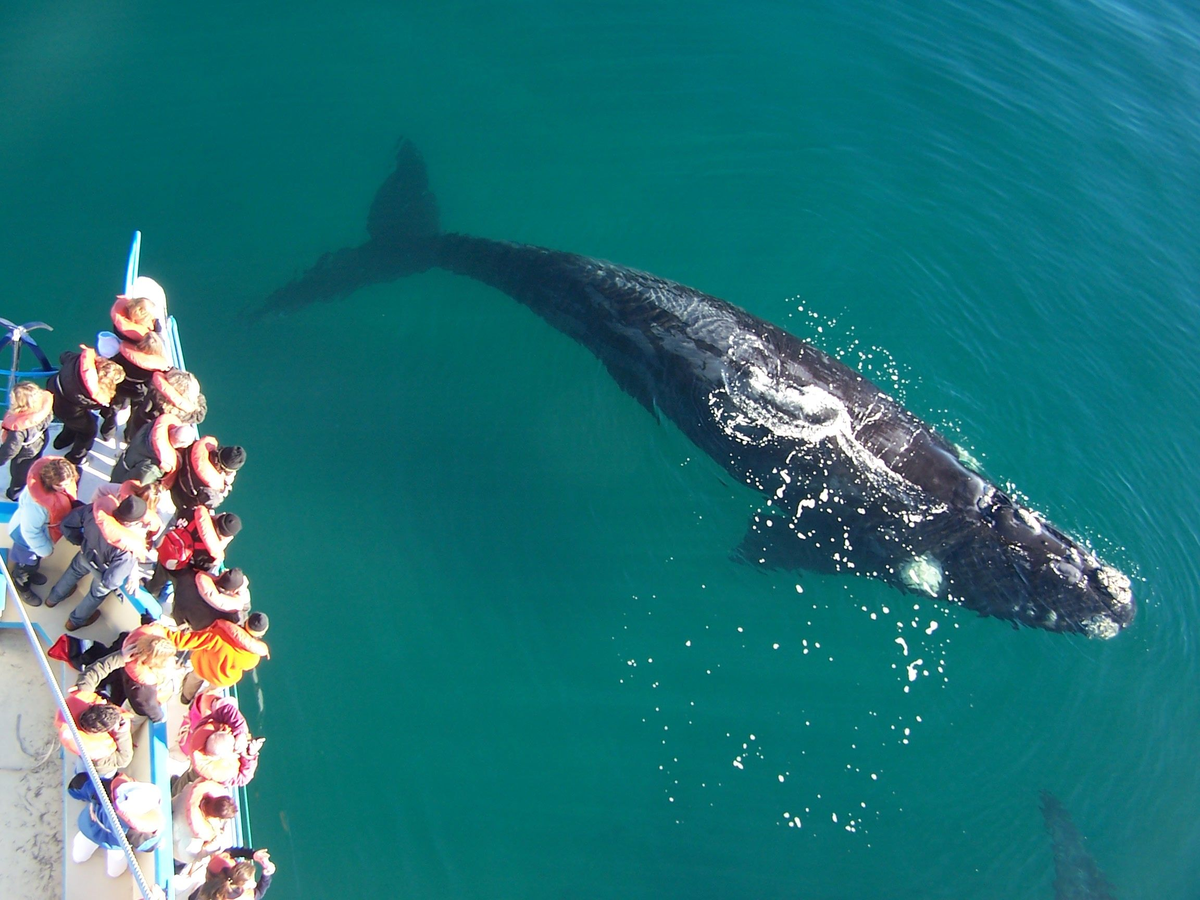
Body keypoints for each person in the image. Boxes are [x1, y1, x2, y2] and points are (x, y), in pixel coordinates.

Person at [44, 494, 150, 631]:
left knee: (74, 571)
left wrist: (80, 541)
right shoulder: (128, 549)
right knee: (96, 594)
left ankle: (52, 599)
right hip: (103, 570)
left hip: (86, 553)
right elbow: (112, 581)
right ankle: (74, 622)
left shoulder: (96, 512)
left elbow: (67, 524)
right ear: (134, 522)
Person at [6, 456, 78, 603]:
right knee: (27, 564)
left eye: (68, 483)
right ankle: (21, 585)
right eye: (61, 485)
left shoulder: (55, 490)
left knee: (34, 562)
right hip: (24, 538)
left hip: (40, 534)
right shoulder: (37, 505)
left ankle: (31, 573)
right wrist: (46, 550)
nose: (65, 488)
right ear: (50, 482)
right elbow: (30, 532)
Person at [74, 623, 177, 724]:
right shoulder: (143, 687)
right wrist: (159, 717)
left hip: (123, 678)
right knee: (132, 716)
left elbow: (93, 672)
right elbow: (146, 706)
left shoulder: (129, 645)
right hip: (133, 699)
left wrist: (120, 657)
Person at [69, 771, 164, 877]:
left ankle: (80, 857)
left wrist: (72, 790)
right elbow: (149, 844)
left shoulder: (104, 790)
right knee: (114, 871)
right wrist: (158, 835)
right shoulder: (135, 832)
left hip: (89, 827)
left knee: (79, 854)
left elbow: (83, 785)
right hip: (111, 842)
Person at [167, 611, 269, 705]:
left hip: (202, 666)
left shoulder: (219, 632)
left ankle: (185, 698)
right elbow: (245, 667)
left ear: (246, 621)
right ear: (262, 633)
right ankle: (196, 706)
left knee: (193, 679)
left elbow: (187, 641)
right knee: (210, 693)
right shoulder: (253, 657)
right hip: (221, 679)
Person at [48, 344, 125, 466]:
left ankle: (61, 442)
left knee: (72, 425)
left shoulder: (77, 361)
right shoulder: (94, 397)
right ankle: (76, 458)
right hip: (68, 411)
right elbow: (100, 408)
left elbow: (64, 356)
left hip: (52, 393)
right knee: (88, 430)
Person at [145, 509, 240, 599]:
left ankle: (152, 590)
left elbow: (180, 515)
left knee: (158, 579)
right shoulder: (211, 554)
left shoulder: (193, 514)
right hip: (180, 570)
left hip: (167, 549)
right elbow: (201, 569)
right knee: (178, 589)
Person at [55, 690, 133, 778]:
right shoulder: (99, 749)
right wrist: (122, 733)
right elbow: (123, 759)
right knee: (103, 776)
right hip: (100, 766)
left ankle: (78, 775)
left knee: (80, 769)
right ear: (102, 731)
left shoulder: (69, 708)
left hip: (81, 754)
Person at [0, 381, 54, 499]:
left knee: (19, 474)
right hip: (40, 441)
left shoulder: (18, 429)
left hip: (25, 452)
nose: (10, 397)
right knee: (33, 462)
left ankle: (14, 495)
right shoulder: (43, 410)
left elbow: (11, 449)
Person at [111, 411, 191, 485]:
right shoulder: (155, 466)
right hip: (121, 482)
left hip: (122, 463)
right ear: (182, 445)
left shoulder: (151, 427)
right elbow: (136, 484)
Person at [126, 367, 207, 439]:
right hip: (153, 434)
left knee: (132, 431)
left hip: (140, 422)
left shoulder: (154, 390)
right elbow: (200, 414)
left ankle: (127, 437)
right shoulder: (188, 414)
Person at [170, 437, 245, 513]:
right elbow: (212, 504)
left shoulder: (198, 447)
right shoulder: (212, 489)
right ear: (229, 470)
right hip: (177, 498)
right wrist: (225, 488)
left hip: (174, 475)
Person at [172, 779, 237, 867]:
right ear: (217, 817)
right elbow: (196, 857)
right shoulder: (207, 833)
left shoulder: (194, 789)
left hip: (171, 808)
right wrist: (214, 839)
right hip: (175, 847)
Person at [170, 567, 251, 633]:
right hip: (195, 633)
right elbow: (242, 616)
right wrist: (243, 592)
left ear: (220, 576)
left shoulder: (189, 578)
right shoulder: (231, 615)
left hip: (178, 616)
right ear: (234, 591)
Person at [190, 850, 275, 900]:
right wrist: (266, 875)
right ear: (242, 885)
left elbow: (229, 852)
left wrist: (252, 854)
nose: (254, 884)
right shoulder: (244, 897)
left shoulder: (218, 871)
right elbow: (258, 893)